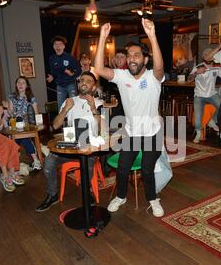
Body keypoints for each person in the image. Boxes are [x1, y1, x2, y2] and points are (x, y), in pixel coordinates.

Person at [95, 19, 165, 217]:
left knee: (147, 169)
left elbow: (160, 66)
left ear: (145, 59)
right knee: (123, 168)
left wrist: (152, 36)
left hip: (152, 133)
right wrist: (102, 37)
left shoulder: (153, 77)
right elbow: (99, 69)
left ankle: (153, 198)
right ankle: (121, 196)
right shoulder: (121, 76)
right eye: (129, 55)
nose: (132, 58)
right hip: (133, 133)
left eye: (136, 55)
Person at [36, 71, 103, 212]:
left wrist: (93, 108)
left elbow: (101, 130)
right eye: (82, 80)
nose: (84, 82)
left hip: (89, 147)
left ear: (94, 87)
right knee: (49, 161)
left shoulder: (99, 103)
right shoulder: (70, 101)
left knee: (88, 164)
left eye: (89, 81)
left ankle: (87, 192)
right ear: (78, 83)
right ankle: (52, 194)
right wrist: (65, 109)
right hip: (71, 146)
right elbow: (55, 125)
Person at [187, 48, 221, 143]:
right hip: (199, 95)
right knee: (198, 115)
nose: (208, 54)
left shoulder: (217, 67)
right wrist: (196, 72)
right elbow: (189, 79)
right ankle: (198, 134)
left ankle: (211, 120)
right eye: (206, 53)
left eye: (210, 53)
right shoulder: (198, 66)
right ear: (203, 57)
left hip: (212, 93)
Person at [8, 76, 42, 171]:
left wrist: (38, 123)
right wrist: (10, 110)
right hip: (15, 124)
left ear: (27, 86)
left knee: (21, 136)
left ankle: (15, 158)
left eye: (23, 83)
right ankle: (36, 160)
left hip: (27, 125)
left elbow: (36, 113)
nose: (21, 85)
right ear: (16, 85)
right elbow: (10, 113)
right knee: (20, 126)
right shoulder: (12, 97)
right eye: (19, 82)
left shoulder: (31, 98)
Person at [46, 36, 82, 110]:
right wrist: (52, 76)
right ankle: (62, 121)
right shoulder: (52, 58)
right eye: (56, 44)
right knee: (61, 108)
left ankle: (74, 121)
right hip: (60, 86)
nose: (58, 46)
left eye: (60, 44)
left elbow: (79, 70)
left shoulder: (69, 57)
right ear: (53, 47)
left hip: (71, 84)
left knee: (74, 106)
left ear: (63, 46)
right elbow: (54, 71)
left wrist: (72, 74)